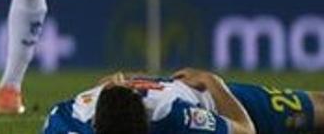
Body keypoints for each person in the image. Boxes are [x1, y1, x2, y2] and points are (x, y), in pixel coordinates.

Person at [43, 68, 324, 134]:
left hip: (213, 99)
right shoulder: (64, 120)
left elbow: (245, 130)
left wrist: (213, 83)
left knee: (317, 110)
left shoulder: (175, 115)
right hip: (146, 87)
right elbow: (106, 84)